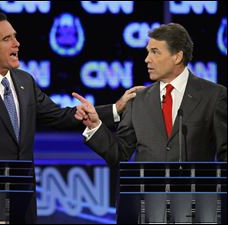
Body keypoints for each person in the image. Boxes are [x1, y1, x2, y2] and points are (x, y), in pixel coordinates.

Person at [0, 12, 142, 224]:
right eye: (7, 39)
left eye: (15, 36)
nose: (17, 43)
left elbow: (59, 117)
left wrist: (115, 108)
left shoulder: (25, 82)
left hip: (24, 199)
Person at [73, 23, 227, 223]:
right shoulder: (138, 100)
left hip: (197, 210)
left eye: (155, 52)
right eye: (147, 52)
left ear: (177, 56)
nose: (147, 59)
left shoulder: (214, 96)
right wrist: (95, 126)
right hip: (147, 210)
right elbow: (119, 153)